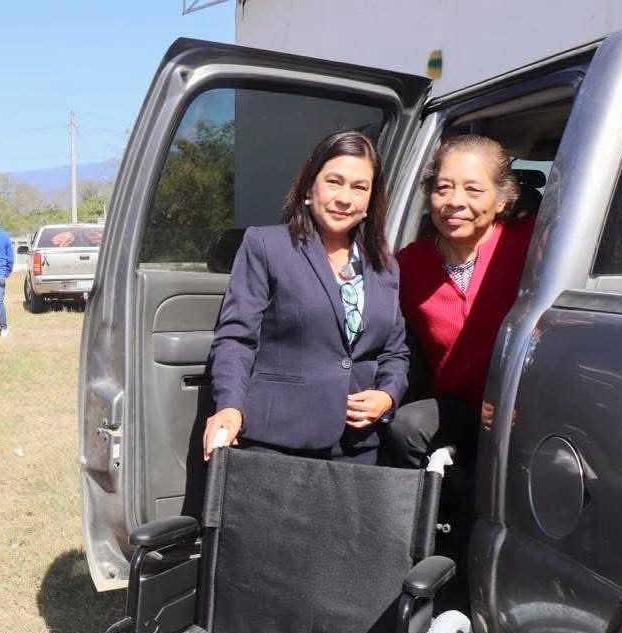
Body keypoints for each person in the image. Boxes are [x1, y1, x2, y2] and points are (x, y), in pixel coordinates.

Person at [203, 130, 409, 465]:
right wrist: (229, 406)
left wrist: (387, 396)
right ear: (309, 187)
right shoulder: (267, 246)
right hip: (279, 442)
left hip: (357, 447)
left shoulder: (385, 266)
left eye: (360, 187)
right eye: (334, 181)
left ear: (372, 200)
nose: (345, 198)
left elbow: (395, 352)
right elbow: (237, 338)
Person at [386, 134, 534, 469]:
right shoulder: (409, 264)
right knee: (407, 427)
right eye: (443, 188)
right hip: (462, 408)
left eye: (473, 190)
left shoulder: (531, 243)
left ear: (502, 200)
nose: (454, 201)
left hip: (529, 404)